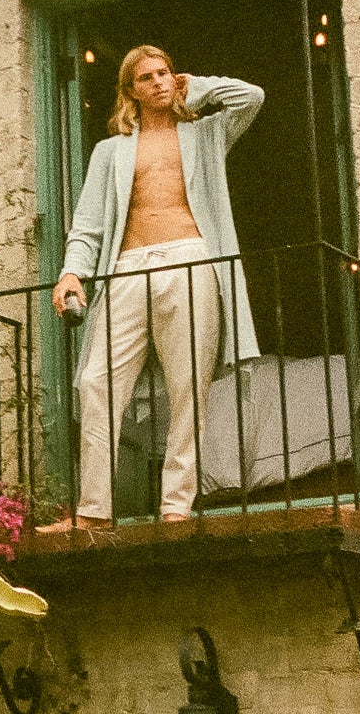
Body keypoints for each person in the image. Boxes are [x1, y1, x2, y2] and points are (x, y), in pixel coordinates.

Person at [49, 45, 263, 528]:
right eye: (146, 77)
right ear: (130, 90)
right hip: (127, 265)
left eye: (165, 73)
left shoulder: (206, 134)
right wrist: (72, 272)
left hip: (191, 258)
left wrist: (199, 84)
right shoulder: (111, 151)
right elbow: (87, 225)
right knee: (96, 382)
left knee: (188, 387)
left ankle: (175, 505)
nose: (160, 83)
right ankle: (94, 512)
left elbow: (252, 98)